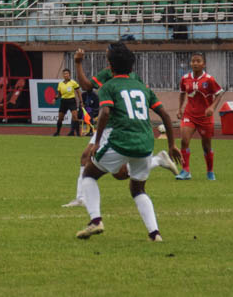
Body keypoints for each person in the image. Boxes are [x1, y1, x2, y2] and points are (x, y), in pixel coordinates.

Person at [75, 44, 181, 241]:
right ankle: (154, 234)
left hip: (121, 139)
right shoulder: (142, 87)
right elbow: (165, 114)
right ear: (132, 66)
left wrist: (97, 142)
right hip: (146, 142)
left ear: (109, 66)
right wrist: (172, 145)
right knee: (137, 189)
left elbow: (105, 112)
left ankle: (96, 220)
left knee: (89, 174)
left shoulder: (108, 86)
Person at [176, 53, 225, 181]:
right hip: (189, 114)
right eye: (193, 61)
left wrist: (212, 107)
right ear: (190, 63)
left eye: (198, 61)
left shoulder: (209, 79)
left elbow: (219, 93)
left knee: (206, 146)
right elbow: (182, 93)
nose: (195, 63)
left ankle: (210, 171)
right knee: (184, 140)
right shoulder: (185, 78)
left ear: (204, 64)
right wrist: (180, 108)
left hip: (205, 117)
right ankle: (185, 170)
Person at [53, 69, 83, 137]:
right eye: (64, 74)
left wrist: (81, 102)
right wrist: (55, 98)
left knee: (75, 117)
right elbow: (59, 94)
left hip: (71, 101)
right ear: (62, 75)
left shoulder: (73, 82)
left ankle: (78, 133)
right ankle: (57, 132)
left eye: (67, 73)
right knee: (60, 118)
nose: (65, 75)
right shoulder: (60, 84)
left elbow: (78, 93)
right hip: (64, 101)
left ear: (69, 74)